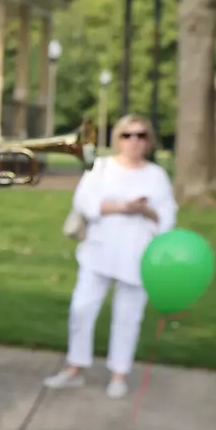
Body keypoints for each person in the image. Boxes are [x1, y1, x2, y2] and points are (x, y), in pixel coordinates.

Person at [43, 113, 176, 398]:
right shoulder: (102, 167)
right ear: (118, 138)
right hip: (99, 251)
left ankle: (119, 373)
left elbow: (167, 217)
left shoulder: (156, 175)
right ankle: (75, 367)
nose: (134, 141)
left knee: (128, 316)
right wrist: (122, 207)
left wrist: (146, 211)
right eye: (128, 135)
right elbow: (85, 201)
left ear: (149, 140)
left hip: (138, 257)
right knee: (82, 309)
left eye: (141, 135)